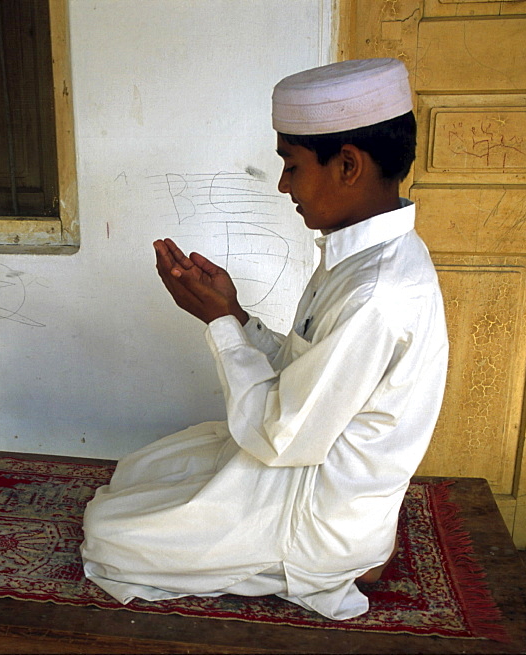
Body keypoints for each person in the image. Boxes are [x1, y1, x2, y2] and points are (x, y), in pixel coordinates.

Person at [80, 58, 449, 620]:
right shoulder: (362, 257)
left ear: (348, 164)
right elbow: (304, 374)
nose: (282, 185)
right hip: (304, 462)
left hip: (310, 508)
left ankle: (342, 559)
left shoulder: (376, 291)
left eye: (291, 165)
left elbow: (279, 436)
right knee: (139, 472)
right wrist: (236, 314)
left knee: (107, 536)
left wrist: (220, 327)